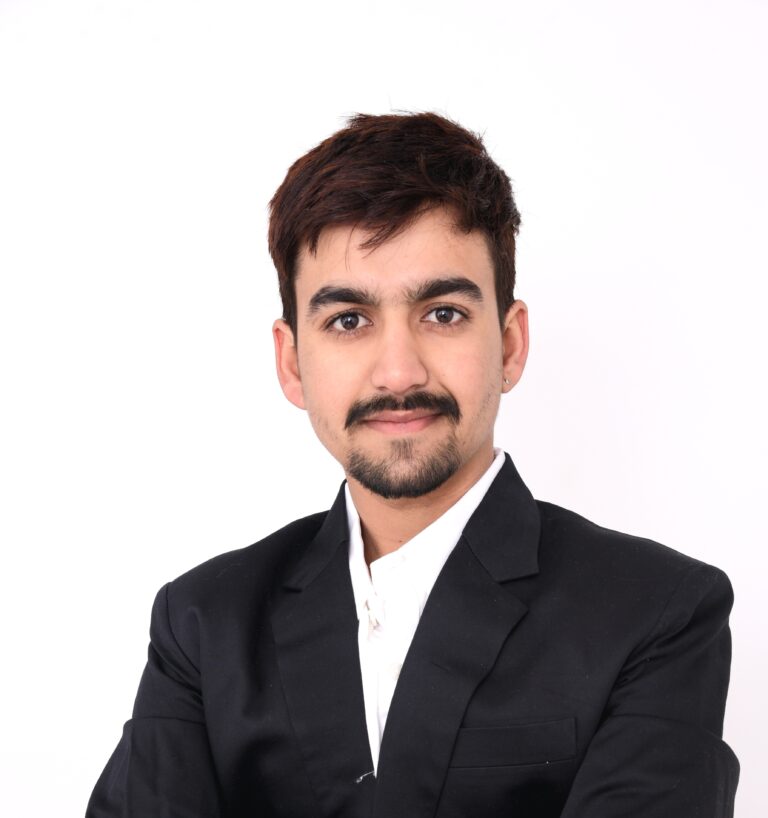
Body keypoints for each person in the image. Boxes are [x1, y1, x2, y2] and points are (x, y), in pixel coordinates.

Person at [86, 112, 739, 817]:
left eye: (443, 313)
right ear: (292, 361)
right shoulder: (203, 624)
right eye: (348, 320)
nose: (398, 372)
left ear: (510, 344)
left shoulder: (656, 613)